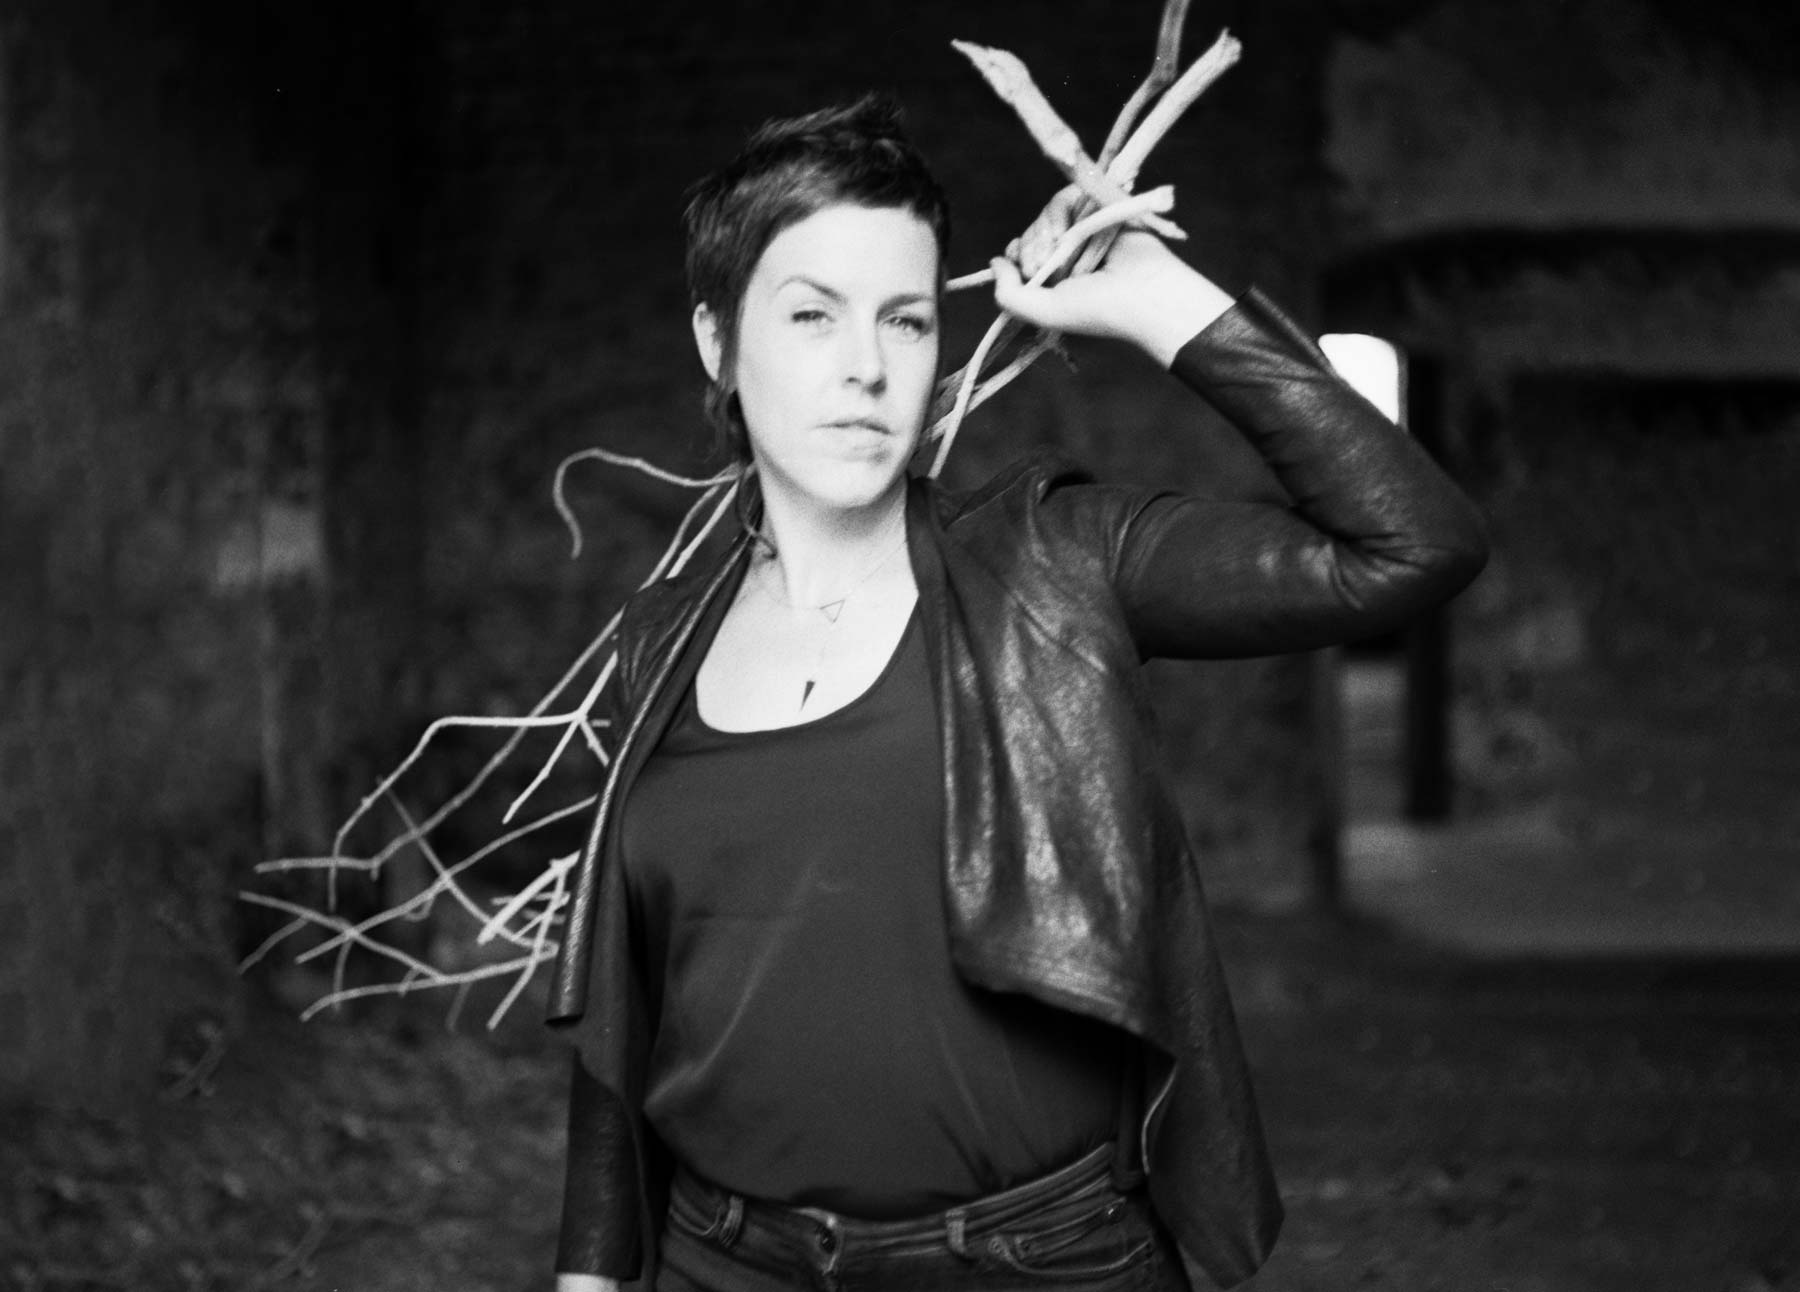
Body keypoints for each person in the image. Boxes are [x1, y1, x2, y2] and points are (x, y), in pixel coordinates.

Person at [545, 96, 1487, 1292]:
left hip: (1037, 1263)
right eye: (812, 314)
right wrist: (588, 1273)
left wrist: (1162, 304)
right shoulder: (657, 640)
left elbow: (1412, 544)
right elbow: (626, 1008)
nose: (866, 366)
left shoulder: (1052, 564)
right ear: (717, 342)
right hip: (723, 1262)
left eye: (904, 318)